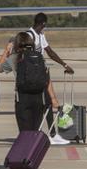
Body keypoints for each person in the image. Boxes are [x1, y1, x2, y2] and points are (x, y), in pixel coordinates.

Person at [27, 13, 72, 145]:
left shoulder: (41, 35)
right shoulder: (29, 36)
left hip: (41, 73)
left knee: (46, 103)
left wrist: (64, 64)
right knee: (44, 103)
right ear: (43, 24)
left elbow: (50, 52)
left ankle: (50, 134)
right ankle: (47, 134)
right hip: (33, 76)